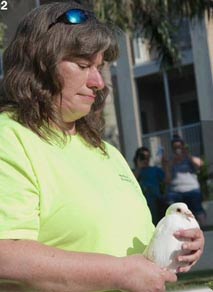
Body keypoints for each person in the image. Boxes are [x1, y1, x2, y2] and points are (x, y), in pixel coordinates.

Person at [0, 2, 204, 291]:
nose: (97, 82)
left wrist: (176, 242)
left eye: (99, 67)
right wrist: (117, 273)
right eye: (83, 66)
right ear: (39, 66)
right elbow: (6, 254)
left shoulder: (105, 151)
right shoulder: (9, 138)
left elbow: (132, 252)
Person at [167, 134, 206, 226]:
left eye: (179, 146)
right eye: (175, 147)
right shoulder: (170, 161)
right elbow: (167, 179)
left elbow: (201, 164)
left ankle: (204, 229)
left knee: (198, 209)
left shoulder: (189, 158)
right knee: (172, 210)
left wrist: (187, 155)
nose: (177, 149)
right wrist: (172, 163)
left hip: (192, 190)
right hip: (176, 192)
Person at [133, 147, 169, 225]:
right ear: (137, 157)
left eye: (148, 157)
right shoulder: (134, 171)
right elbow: (132, 181)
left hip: (155, 200)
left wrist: (165, 166)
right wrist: (139, 167)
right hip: (140, 201)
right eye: (143, 157)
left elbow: (167, 180)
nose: (146, 159)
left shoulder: (154, 169)